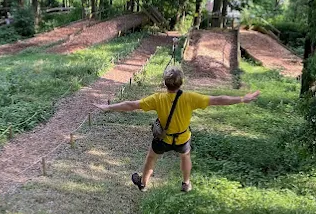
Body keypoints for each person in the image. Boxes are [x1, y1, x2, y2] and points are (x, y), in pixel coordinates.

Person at [94, 66, 260, 192]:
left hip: (163, 139)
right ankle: (186, 183)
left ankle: (143, 184)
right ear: (181, 83)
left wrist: (108, 107)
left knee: (151, 158)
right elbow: (218, 100)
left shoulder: (157, 98)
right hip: (182, 138)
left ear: (164, 83)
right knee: (185, 156)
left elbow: (131, 105)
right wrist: (242, 99)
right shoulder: (190, 98)